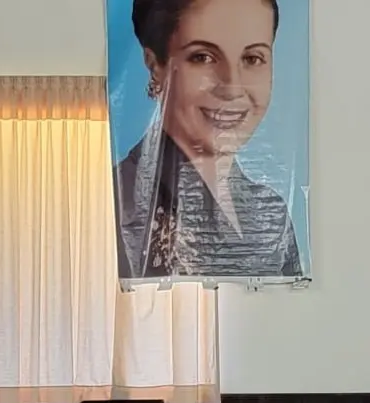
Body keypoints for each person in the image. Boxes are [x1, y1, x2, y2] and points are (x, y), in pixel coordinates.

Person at [113, 0, 301, 278]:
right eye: (203, 57)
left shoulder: (271, 213)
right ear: (156, 66)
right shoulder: (119, 203)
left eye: (252, 59)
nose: (232, 88)